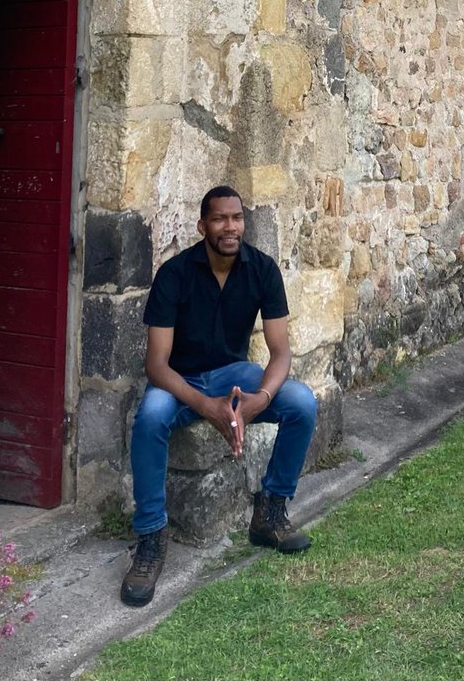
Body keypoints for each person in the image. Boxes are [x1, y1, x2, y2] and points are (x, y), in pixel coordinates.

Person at [120, 185, 318, 607]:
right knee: (151, 417)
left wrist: (259, 399)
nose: (230, 227)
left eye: (236, 218)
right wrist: (204, 405)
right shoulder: (174, 275)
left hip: (234, 374)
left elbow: (281, 353)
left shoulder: (262, 269)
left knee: (301, 403)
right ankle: (151, 538)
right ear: (202, 226)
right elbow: (156, 365)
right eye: (220, 219)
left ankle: (269, 512)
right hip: (180, 378)